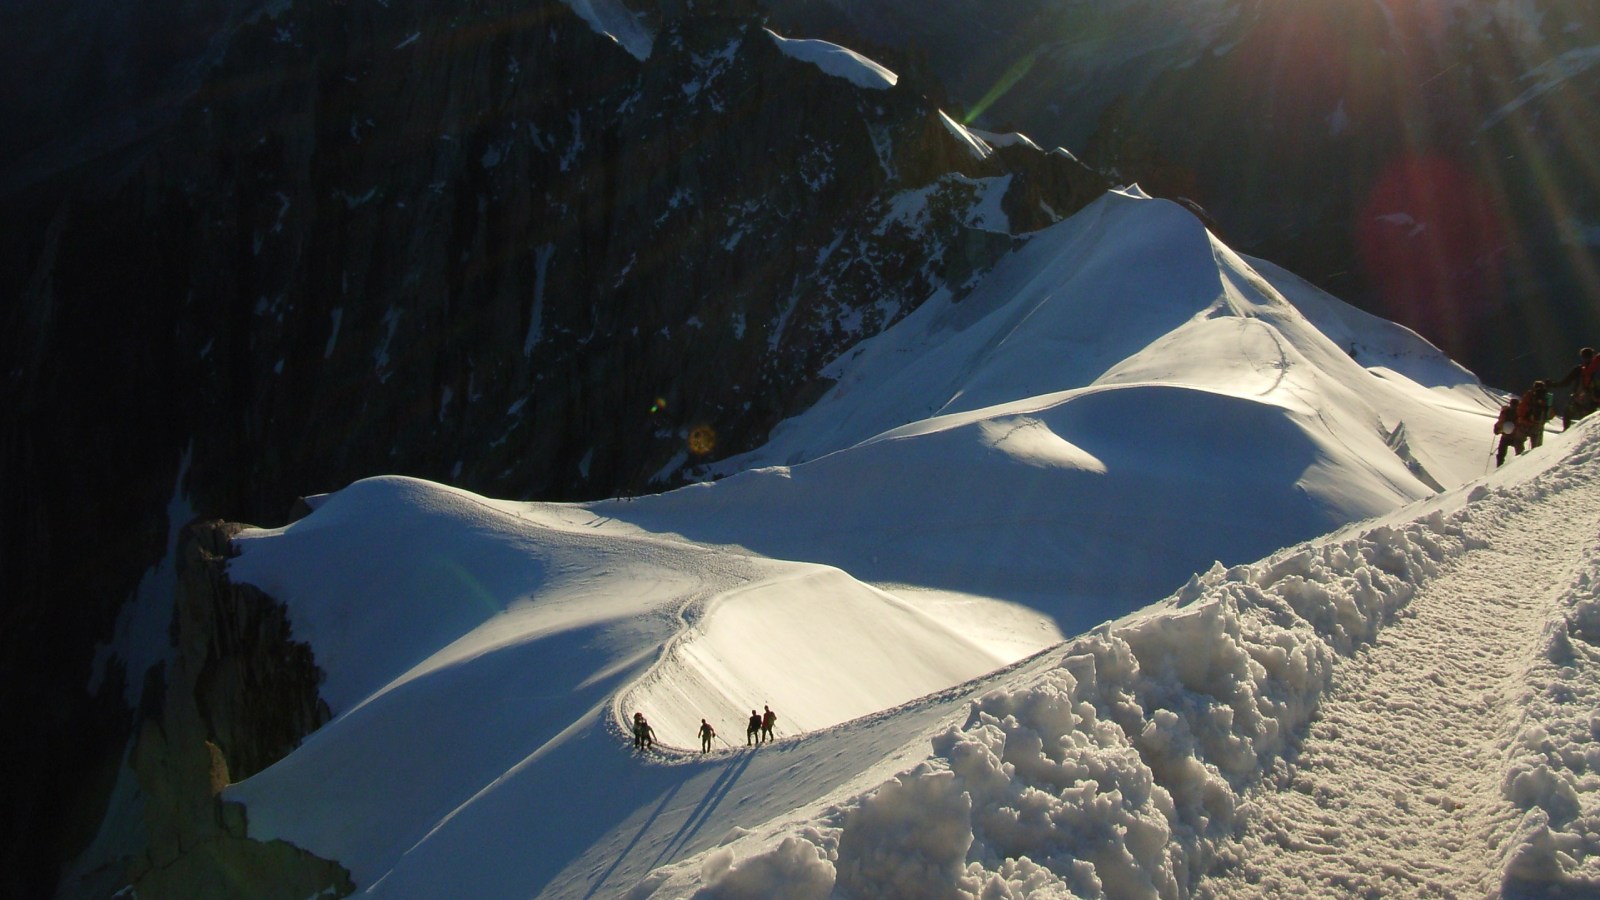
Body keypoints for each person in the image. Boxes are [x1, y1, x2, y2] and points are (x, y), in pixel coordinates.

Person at [1554, 347, 1600, 427]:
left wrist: (1552, 384)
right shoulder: (1596, 368)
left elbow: (1565, 382)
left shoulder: (1580, 369)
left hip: (1582, 399)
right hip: (1595, 400)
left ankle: (1566, 434)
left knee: (1568, 413)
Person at [1520, 380, 1553, 449]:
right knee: (1537, 447)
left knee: (1518, 440)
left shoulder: (1530, 394)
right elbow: (1551, 413)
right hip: (1539, 423)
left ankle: (1520, 456)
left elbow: (1522, 407)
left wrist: (1522, 418)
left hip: (1528, 422)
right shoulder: (1546, 397)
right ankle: (1536, 457)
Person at [1495, 400, 1525, 467]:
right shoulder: (1520, 413)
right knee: (1520, 455)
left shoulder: (1506, 412)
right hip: (1516, 437)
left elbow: (1500, 422)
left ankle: (1498, 469)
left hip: (1505, 436)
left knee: (1501, 455)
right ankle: (1519, 468)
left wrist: (1497, 429)